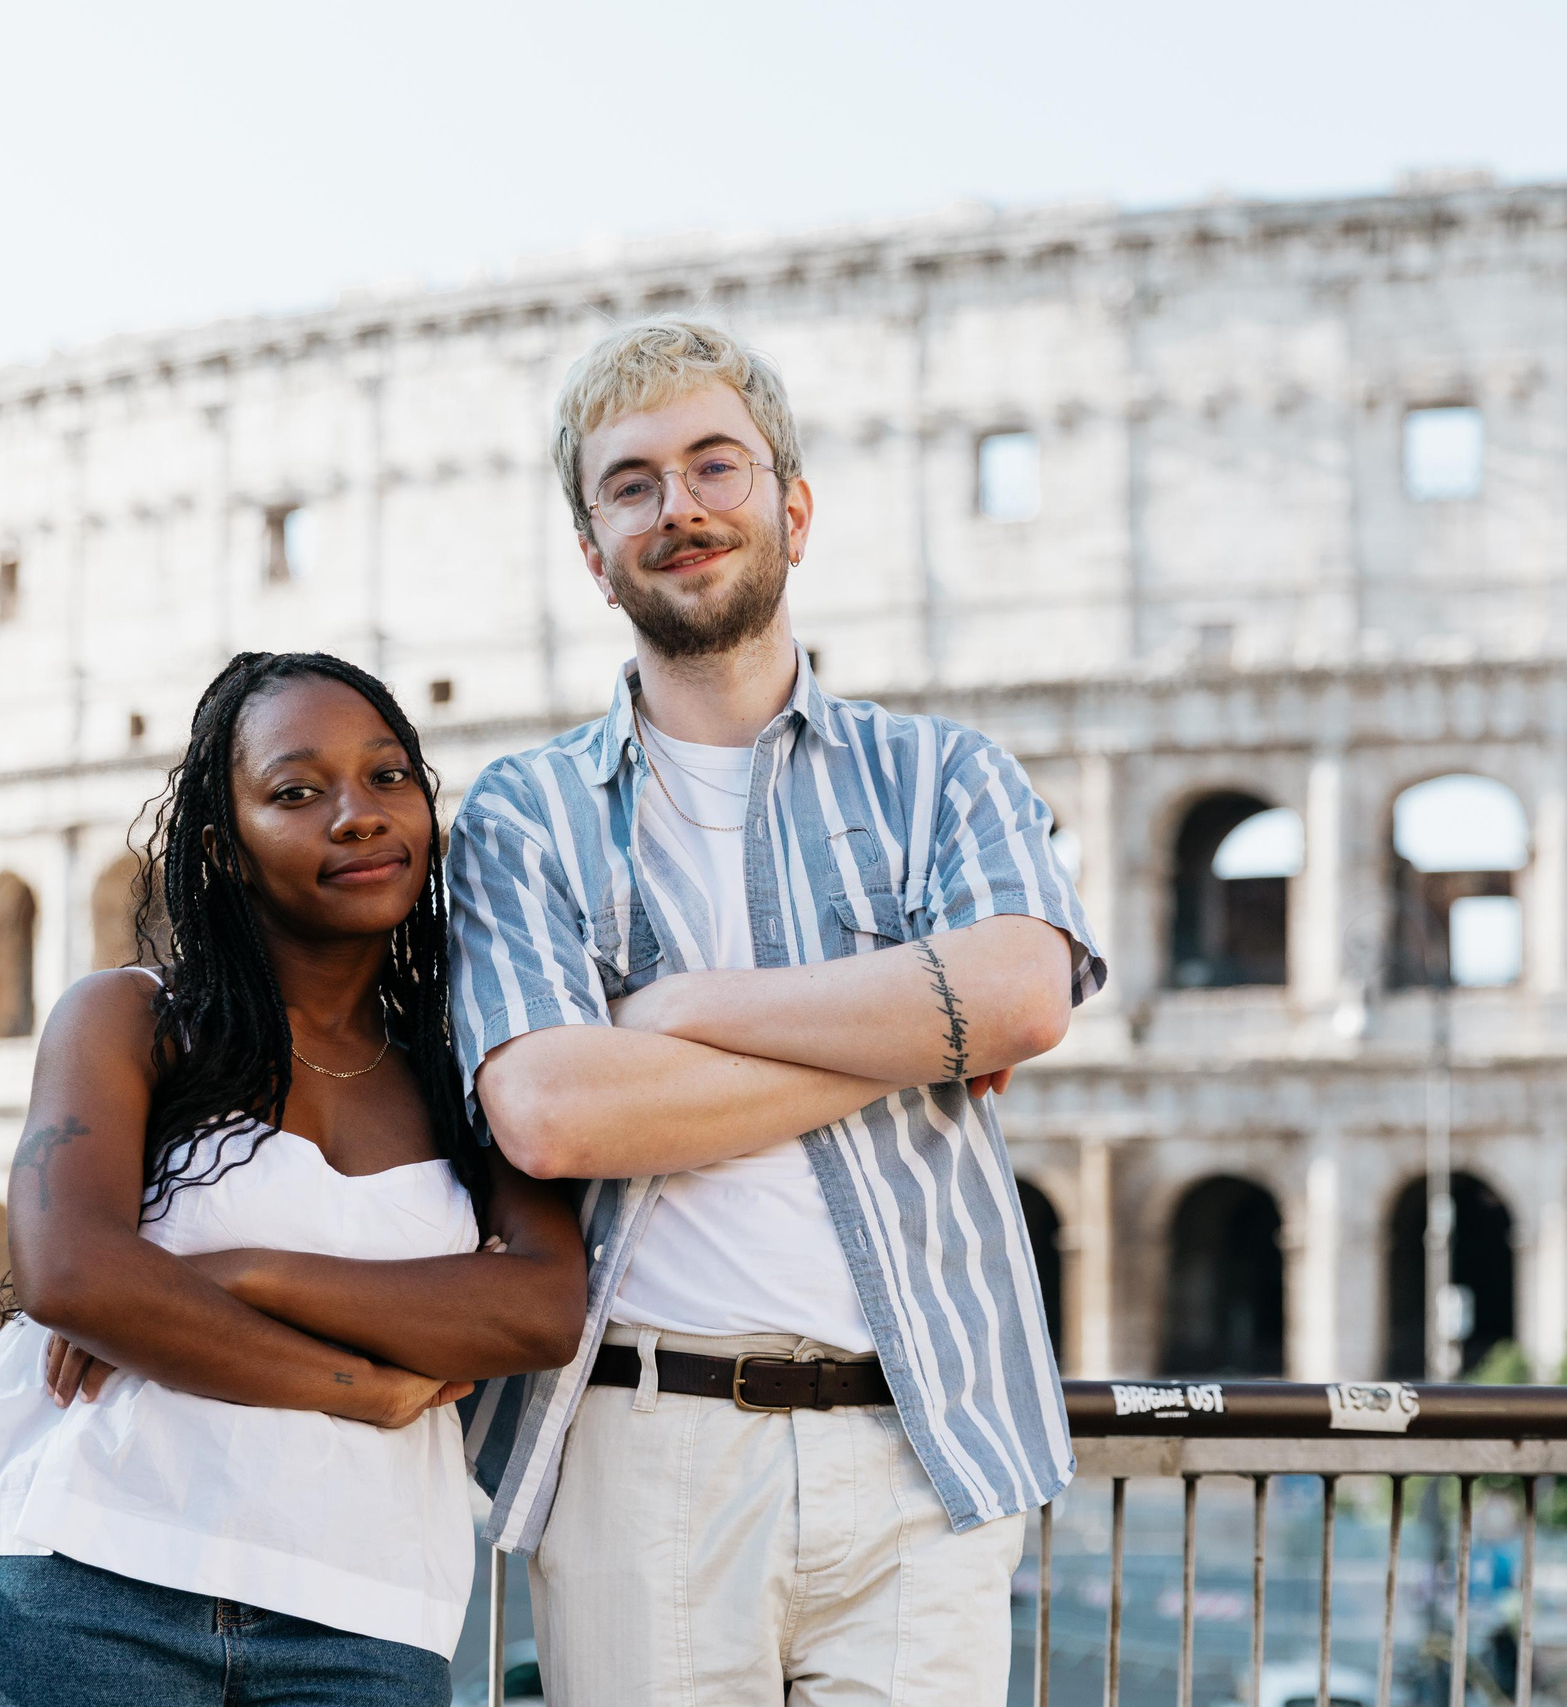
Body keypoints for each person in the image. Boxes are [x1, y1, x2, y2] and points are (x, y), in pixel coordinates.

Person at [447, 319, 1109, 1705]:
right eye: (631, 485)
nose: (678, 508)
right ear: (592, 552)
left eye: (714, 466)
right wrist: (909, 1040)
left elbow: (1021, 995)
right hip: (642, 1450)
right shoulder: (525, 810)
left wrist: (683, 1009)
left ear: (792, 510)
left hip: (927, 1444)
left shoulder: (945, 774)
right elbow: (552, 1113)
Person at [0, 652, 587, 1705]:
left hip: (362, 1615)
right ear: (225, 847)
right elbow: (72, 1277)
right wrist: (362, 1384)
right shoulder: (131, 1018)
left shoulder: (468, 1063)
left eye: (388, 777)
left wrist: (243, 1273)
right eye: (297, 792)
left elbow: (541, 1310)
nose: (359, 815)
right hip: (88, 1574)